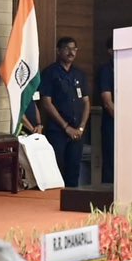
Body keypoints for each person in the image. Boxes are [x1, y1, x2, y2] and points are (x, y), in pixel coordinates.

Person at [38, 36, 91, 187]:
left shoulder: (79, 74)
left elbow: (86, 103)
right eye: (67, 48)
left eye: (74, 49)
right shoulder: (50, 73)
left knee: (74, 169)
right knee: (57, 168)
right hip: (58, 131)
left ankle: (72, 201)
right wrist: (66, 127)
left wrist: (80, 127)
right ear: (58, 51)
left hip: (77, 132)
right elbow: (46, 103)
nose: (71, 52)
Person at [95, 57, 116, 184]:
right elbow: (107, 102)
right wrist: (122, 121)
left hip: (130, 123)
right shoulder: (106, 70)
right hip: (113, 122)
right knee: (111, 160)